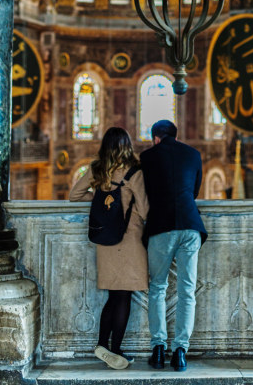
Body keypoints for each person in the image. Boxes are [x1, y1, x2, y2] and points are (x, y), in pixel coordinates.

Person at [70, 127, 149, 370]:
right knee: (123, 294)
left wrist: (97, 198)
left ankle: (102, 344)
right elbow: (146, 210)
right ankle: (115, 350)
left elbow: (75, 195)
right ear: (127, 146)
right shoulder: (135, 172)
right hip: (129, 239)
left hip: (105, 240)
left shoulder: (97, 169)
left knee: (113, 294)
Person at [140, 119, 207, 372]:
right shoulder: (193, 154)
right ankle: (180, 352)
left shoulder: (147, 157)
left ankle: (158, 349)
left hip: (161, 226)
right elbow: (194, 190)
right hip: (191, 225)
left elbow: (144, 192)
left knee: (157, 287)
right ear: (175, 137)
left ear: (156, 138)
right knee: (187, 290)